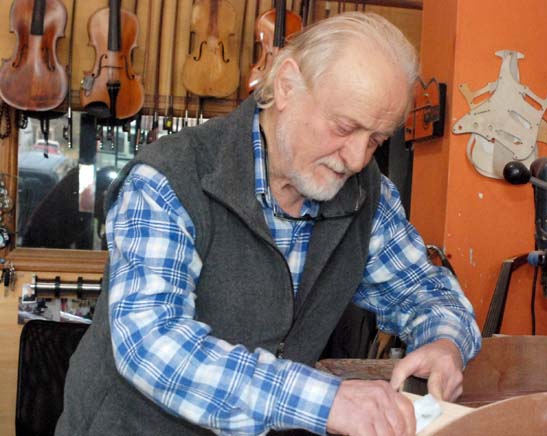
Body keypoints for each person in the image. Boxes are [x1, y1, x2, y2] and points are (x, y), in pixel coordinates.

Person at [56, 12, 481, 436]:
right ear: (287, 86)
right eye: (344, 127)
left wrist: (446, 343)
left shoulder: (367, 194)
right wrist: (325, 401)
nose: (356, 158)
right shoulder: (169, 177)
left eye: (375, 140)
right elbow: (152, 343)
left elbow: (426, 291)